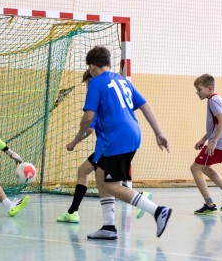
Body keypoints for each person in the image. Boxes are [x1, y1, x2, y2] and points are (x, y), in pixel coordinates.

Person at [67, 45, 172, 240]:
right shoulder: (122, 81)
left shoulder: (96, 83)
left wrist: (79, 135)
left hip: (118, 138)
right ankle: (108, 226)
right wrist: (159, 133)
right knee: (100, 174)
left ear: (91, 67)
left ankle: (158, 211)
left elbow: (88, 117)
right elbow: (144, 105)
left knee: (114, 186)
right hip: (131, 132)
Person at [58, 70, 152, 224]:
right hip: (110, 146)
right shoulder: (109, 95)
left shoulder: (98, 98)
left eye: (88, 83)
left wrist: (74, 142)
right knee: (89, 173)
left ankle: (141, 199)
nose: (88, 87)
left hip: (106, 149)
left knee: (109, 184)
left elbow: (89, 128)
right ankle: (74, 212)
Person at [190, 74, 222, 215]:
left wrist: (213, 141)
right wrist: (204, 139)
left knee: (195, 169)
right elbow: (216, 124)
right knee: (205, 169)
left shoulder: (213, 101)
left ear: (209, 88)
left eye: (199, 89)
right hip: (219, 142)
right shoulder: (217, 99)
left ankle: (209, 204)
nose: (197, 93)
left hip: (219, 143)